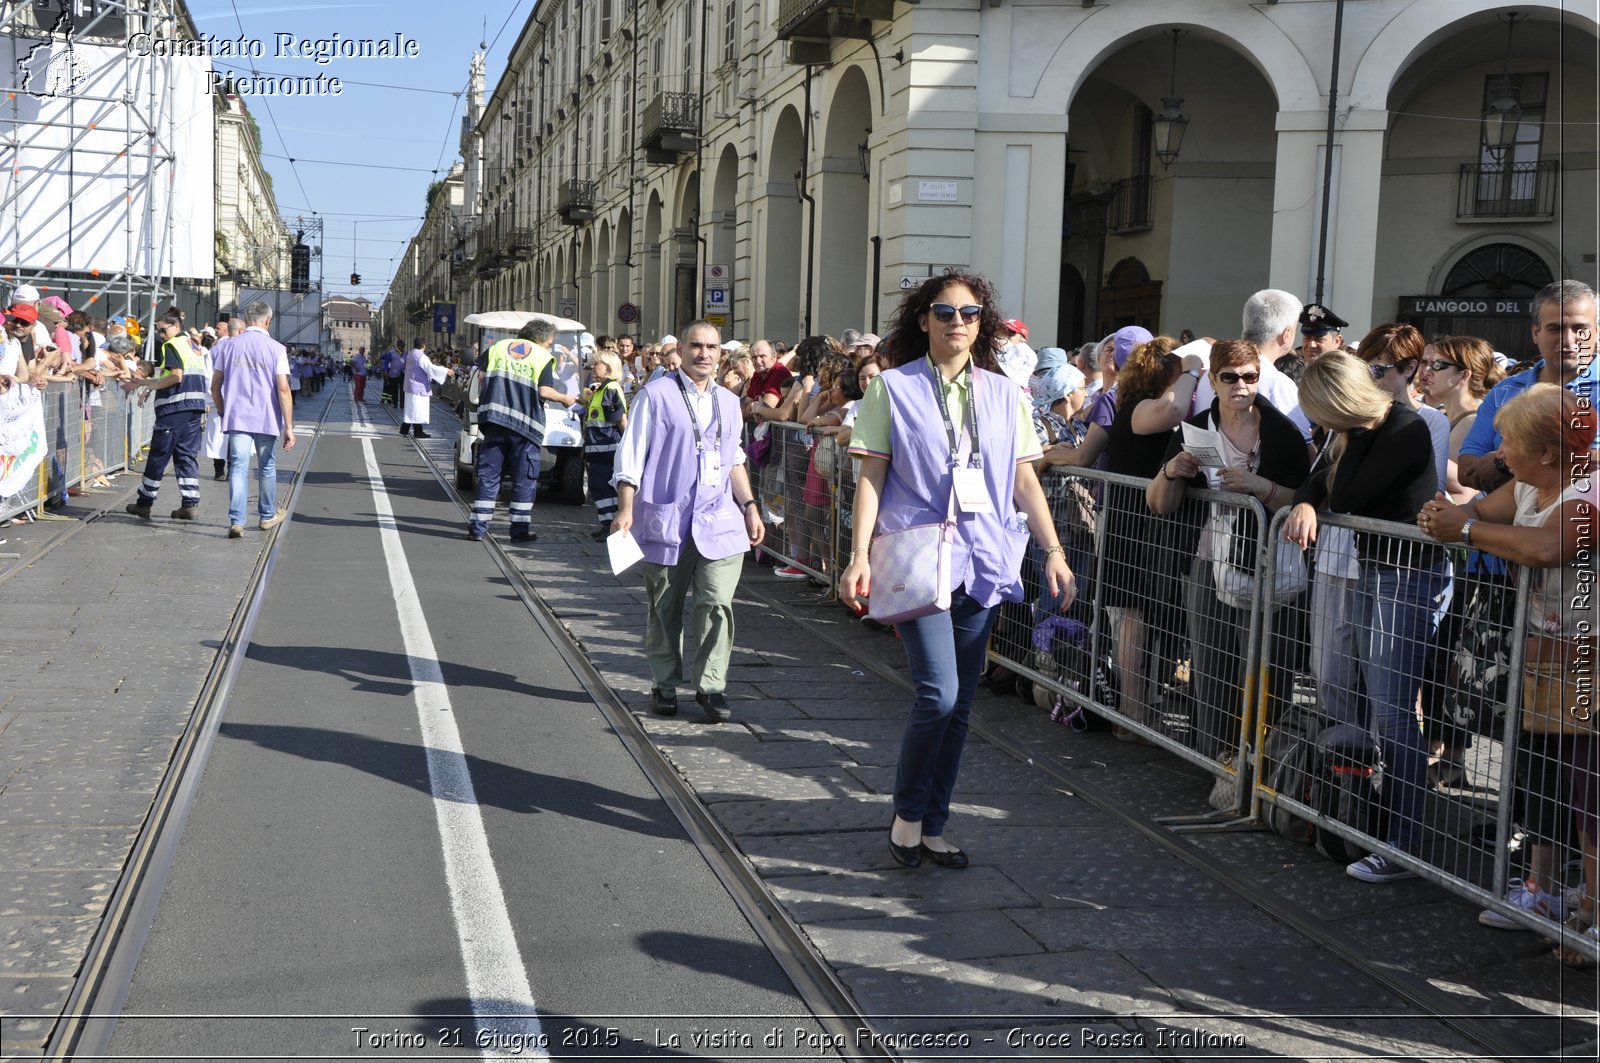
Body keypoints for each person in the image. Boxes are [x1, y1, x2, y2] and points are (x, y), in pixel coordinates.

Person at [839, 272, 1074, 870]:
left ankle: (932, 823)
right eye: (944, 312)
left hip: (984, 558)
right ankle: (907, 814)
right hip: (916, 558)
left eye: (969, 314)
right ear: (924, 320)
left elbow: (1025, 480)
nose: (956, 323)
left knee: (962, 703)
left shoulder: (1004, 393)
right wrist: (859, 554)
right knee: (937, 695)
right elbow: (871, 477)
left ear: (981, 324)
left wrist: (1052, 550)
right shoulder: (892, 387)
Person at [1418, 384, 1597, 961]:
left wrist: (1464, 529)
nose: (1501, 453)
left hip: (1586, 667)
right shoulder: (1530, 481)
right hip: (1547, 664)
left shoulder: (1588, 489)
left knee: (1591, 798)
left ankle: (1592, 915)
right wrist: (1447, 515)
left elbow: (1547, 547)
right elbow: (1475, 510)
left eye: (1512, 443)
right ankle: (1552, 897)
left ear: (1548, 451)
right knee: (1548, 782)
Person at [1285, 350, 1445, 883]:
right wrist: (1308, 499)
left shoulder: (1406, 428)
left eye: (1322, 414)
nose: (1319, 425)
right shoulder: (1355, 431)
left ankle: (1403, 844)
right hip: (1375, 569)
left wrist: (1339, 449)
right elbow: (1318, 482)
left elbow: (1347, 492)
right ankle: (1379, 823)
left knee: (1393, 711)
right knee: (1377, 702)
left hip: (1407, 575)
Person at [1146, 339, 1311, 760]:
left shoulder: (1283, 431)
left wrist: (1260, 487)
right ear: (1212, 380)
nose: (1241, 385)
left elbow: (1306, 498)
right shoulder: (1193, 429)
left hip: (1271, 561)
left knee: (1269, 665)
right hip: (1208, 560)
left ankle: (1264, 763)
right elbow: (1159, 504)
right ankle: (1217, 760)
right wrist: (1171, 471)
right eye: (1230, 377)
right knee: (1213, 665)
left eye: (1251, 377)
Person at [611, 320, 766, 723]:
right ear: (681, 348)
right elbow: (631, 456)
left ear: (721, 353)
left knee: (716, 603)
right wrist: (625, 507)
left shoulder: (730, 402)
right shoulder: (656, 395)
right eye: (696, 345)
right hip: (668, 520)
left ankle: (711, 687)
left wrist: (749, 504)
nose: (704, 354)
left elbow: (733, 460)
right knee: (665, 607)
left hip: (719, 521)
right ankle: (664, 683)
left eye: (712, 347)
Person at [1457, 280, 1598, 491]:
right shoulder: (1504, 391)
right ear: (1535, 333)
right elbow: (1467, 471)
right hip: (1497, 520)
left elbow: (1592, 468)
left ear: (1597, 333)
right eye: (1555, 328)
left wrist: (1502, 462)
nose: (1568, 339)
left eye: (1580, 329)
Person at [468, 318, 579, 542]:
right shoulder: (542, 357)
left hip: (494, 422)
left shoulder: (497, 348)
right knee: (523, 478)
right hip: (525, 427)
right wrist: (566, 398)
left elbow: (481, 378)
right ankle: (519, 531)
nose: (549, 347)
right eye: (549, 343)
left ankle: (478, 527)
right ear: (540, 340)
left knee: (490, 476)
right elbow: (545, 392)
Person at [210, 300, 294, 539]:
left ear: (247, 319)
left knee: (238, 467)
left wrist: (223, 410)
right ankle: (267, 515)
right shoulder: (276, 349)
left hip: (237, 417)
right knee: (266, 467)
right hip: (267, 417)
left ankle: (237, 521)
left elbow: (215, 387)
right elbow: (283, 389)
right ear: (268, 320)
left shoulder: (228, 347)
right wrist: (288, 426)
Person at [122, 311, 208, 521]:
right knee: (186, 455)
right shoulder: (191, 345)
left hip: (174, 408)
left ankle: (144, 503)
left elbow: (176, 376)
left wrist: (148, 384)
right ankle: (190, 504)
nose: (161, 334)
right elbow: (175, 374)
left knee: (159, 455)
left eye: (164, 329)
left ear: (177, 327)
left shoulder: (172, 346)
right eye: (158, 330)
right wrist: (146, 384)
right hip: (194, 408)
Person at [583, 349, 628, 540]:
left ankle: (611, 526)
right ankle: (607, 523)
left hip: (608, 450)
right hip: (599, 451)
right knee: (598, 487)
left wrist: (629, 445)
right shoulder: (601, 389)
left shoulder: (610, 389)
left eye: (597, 364)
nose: (593, 367)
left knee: (604, 487)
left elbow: (621, 420)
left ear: (608, 369)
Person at [399, 339, 452, 438]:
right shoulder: (422, 357)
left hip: (411, 385)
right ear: (424, 346)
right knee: (417, 409)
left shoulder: (410, 354)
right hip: (418, 386)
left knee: (412, 409)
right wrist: (446, 371)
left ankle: (406, 429)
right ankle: (415, 431)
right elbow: (430, 368)